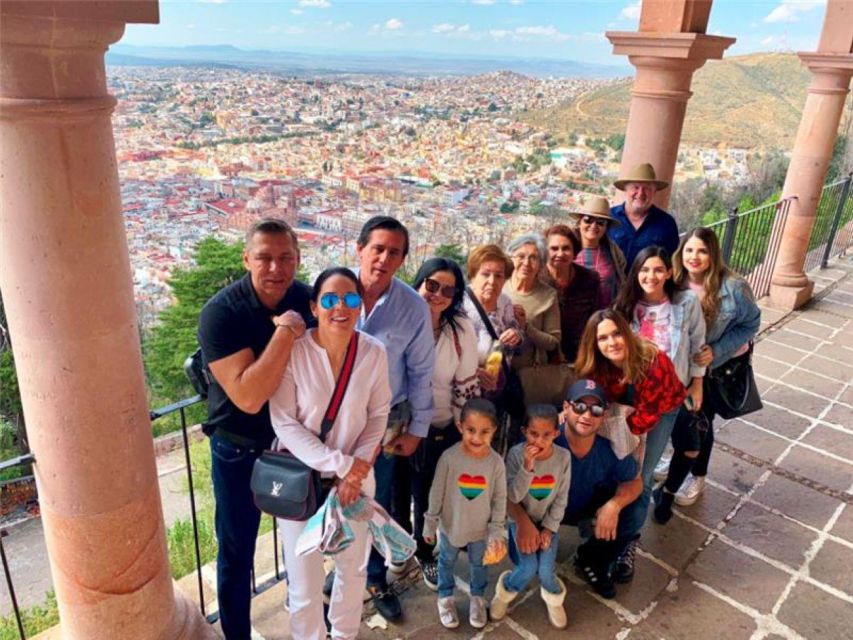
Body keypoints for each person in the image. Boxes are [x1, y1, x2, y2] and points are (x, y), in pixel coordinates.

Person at [197, 218, 312, 640]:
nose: (275, 269)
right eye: (264, 258)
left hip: (294, 445)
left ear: (298, 260)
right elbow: (248, 396)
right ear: (246, 259)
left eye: (285, 258)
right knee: (237, 552)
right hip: (239, 450)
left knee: (304, 540)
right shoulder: (221, 314)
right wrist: (284, 331)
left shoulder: (306, 296)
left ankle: (306, 618)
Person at [269, 267, 391, 640]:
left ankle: (344, 635)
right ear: (314, 306)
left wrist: (356, 472)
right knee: (304, 581)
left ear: (360, 306)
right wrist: (341, 466)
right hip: (302, 481)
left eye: (350, 299)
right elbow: (284, 423)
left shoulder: (373, 352)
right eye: (330, 299)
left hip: (357, 476)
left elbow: (379, 414)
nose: (341, 307)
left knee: (351, 570)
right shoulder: (296, 352)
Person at [322, 215, 435, 621]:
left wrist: (419, 428)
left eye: (394, 252)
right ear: (360, 249)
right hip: (332, 419)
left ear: (403, 259)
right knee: (330, 499)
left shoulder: (411, 307)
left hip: (384, 422)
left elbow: (422, 370)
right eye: (378, 249)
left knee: (373, 500)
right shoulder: (332, 291)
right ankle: (335, 572)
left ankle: (372, 578)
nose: (384, 258)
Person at [653, 228, 761, 520]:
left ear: (713, 254)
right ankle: (679, 461)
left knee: (702, 422)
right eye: (689, 250)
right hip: (681, 366)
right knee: (683, 419)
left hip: (714, 369)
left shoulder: (734, 288)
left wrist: (717, 349)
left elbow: (751, 324)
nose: (694, 257)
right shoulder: (674, 280)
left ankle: (697, 474)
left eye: (701, 251)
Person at [573, 309, 686, 583]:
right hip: (623, 410)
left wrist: (607, 430)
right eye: (603, 338)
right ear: (594, 344)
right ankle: (602, 522)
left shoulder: (653, 361)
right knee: (611, 467)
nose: (612, 342)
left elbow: (644, 420)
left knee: (640, 476)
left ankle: (626, 542)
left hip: (660, 410)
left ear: (626, 333)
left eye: (616, 334)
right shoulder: (596, 366)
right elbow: (594, 401)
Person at [392, 257, 480, 591]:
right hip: (397, 426)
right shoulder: (398, 322)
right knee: (396, 491)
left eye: (448, 290)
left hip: (440, 425)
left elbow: (466, 385)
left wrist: (465, 434)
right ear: (418, 283)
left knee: (428, 496)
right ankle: (398, 547)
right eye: (432, 285)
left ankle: (426, 551)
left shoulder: (460, 329)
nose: (438, 295)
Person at [423, 398, 508, 630]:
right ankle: (445, 597)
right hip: (451, 526)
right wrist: (430, 523)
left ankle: (477, 599)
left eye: (484, 432)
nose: (477, 438)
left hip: (481, 530)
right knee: (446, 561)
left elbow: (500, 499)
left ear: (494, 431)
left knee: (479, 565)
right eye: (471, 430)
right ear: (460, 426)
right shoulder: (449, 458)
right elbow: (436, 492)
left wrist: (497, 531)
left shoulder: (496, 463)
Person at [553, 379, 643, 599]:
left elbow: (635, 481)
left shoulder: (608, 446)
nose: (586, 415)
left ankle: (593, 559)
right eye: (579, 406)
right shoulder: (547, 438)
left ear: (603, 416)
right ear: (566, 408)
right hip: (548, 507)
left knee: (635, 512)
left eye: (595, 410)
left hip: (587, 508)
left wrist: (614, 505)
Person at [491, 404, 570, 629]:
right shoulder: (516, 455)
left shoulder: (564, 458)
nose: (539, 441)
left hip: (546, 522)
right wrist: (528, 467)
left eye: (547, 435)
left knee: (546, 570)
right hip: (520, 519)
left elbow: (561, 498)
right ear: (525, 432)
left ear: (556, 433)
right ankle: (505, 593)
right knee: (527, 568)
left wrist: (549, 529)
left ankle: (553, 596)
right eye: (534, 434)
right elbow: (512, 496)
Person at [463, 244, 525, 444]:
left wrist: (516, 334)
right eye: (485, 274)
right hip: (467, 390)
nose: (492, 281)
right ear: (473, 275)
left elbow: (517, 331)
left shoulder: (504, 302)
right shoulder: (460, 305)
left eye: (499, 276)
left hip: (499, 387)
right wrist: (473, 371)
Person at [540, 225, 600, 362]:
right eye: (554, 248)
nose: (560, 254)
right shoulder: (535, 278)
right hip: (542, 355)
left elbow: (594, 317)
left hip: (579, 355)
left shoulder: (590, 279)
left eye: (566, 248)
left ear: (575, 252)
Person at [504, 233, 561, 371]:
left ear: (541, 265)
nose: (526, 263)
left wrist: (526, 327)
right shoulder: (499, 286)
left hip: (529, 374)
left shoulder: (548, 296)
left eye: (533, 258)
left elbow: (553, 343)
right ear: (511, 259)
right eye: (521, 256)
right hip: (495, 369)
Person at [608, 163, 680, 267]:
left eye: (647, 188)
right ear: (625, 190)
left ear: (654, 192)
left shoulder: (667, 223)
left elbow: (672, 262)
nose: (640, 193)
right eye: (635, 187)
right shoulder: (608, 217)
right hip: (610, 283)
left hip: (648, 282)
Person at [571, 195, 627, 308]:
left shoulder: (613, 252)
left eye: (600, 222)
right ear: (579, 222)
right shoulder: (568, 248)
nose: (593, 226)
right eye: (588, 220)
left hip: (604, 318)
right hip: (572, 317)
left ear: (606, 227)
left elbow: (620, 281)